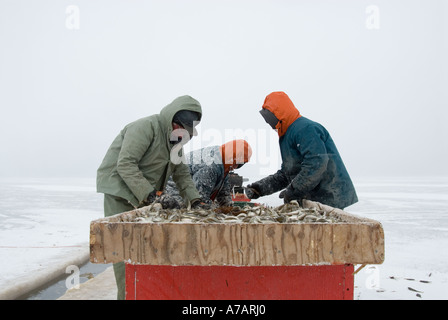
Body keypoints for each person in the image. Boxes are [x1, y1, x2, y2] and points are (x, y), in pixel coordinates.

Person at [96, 95, 204, 299]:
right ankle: (127, 295)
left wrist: (196, 200)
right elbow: (126, 164)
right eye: (180, 129)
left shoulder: (176, 144)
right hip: (120, 193)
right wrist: (152, 195)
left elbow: (181, 175)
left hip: (144, 198)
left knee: (145, 249)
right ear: (172, 121)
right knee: (123, 252)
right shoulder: (146, 127)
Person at [245, 91, 358, 209]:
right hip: (311, 199)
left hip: (329, 195)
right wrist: (257, 189)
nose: (270, 124)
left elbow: (316, 164)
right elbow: (286, 174)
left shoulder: (306, 129)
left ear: (279, 114)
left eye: (270, 119)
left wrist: (294, 189)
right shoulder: (286, 136)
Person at [160, 139, 252, 209]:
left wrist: (229, 207)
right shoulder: (211, 165)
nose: (237, 166)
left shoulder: (223, 162)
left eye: (241, 164)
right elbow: (200, 197)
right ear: (232, 157)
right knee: (183, 211)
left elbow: (223, 193)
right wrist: (212, 209)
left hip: (187, 187)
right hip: (174, 187)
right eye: (238, 163)